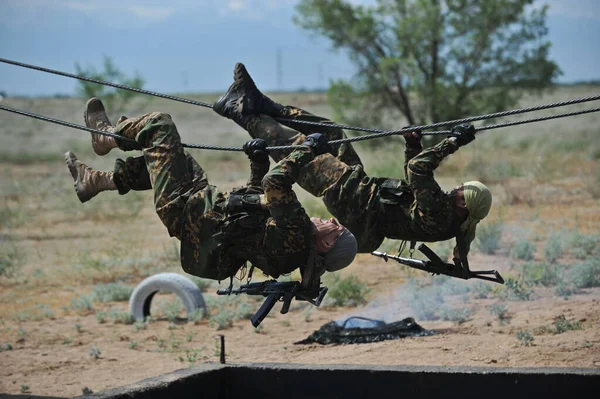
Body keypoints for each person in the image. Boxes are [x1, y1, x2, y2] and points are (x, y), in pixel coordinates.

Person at [212, 63, 493, 268]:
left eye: (461, 191)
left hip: (354, 199)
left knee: (299, 146)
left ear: (464, 205)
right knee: (330, 131)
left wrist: (454, 141)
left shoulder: (442, 216)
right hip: (361, 193)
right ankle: (260, 103)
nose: (456, 188)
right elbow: (413, 185)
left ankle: (239, 110)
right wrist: (412, 144)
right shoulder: (445, 215)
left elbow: (419, 170)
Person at [64, 97, 357, 289]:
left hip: (184, 207)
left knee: (159, 126)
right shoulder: (292, 248)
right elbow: (254, 207)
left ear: (328, 243)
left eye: (335, 227)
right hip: (198, 205)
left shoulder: (297, 231)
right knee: (177, 160)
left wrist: (305, 151)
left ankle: (106, 136)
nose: (331, 221)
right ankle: (96, 181)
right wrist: (257, 160)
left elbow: (276, 184)